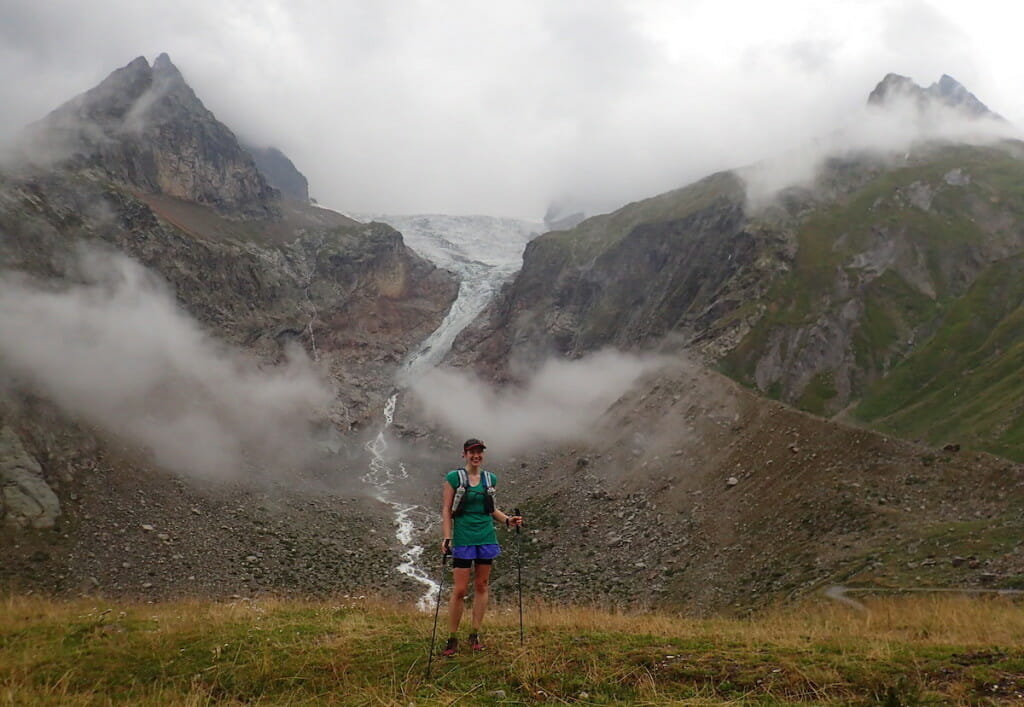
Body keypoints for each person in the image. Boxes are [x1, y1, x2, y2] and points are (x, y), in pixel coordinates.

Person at [440, 438, 522, 655]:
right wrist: (447, 537)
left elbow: (491, 509)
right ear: (465, 454)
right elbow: (447, 509)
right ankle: (452, 637)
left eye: (479, 452)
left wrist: (507, 520)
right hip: (463, 538)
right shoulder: (454, 478)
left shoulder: (490, 479)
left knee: (482, 585)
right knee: (459, 589)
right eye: (472, 452)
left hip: (486, 536)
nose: (476, 456)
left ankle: (474, 634)